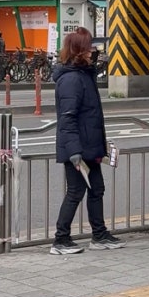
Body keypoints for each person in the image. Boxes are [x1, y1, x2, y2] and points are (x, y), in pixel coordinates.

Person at [51, 27, 123, 255]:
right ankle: (61, 239)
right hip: (78, 148)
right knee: (75, 192)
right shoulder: (71, 79)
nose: (93, 50)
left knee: (96, 189)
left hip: (89, 146)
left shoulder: (84, 74)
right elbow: (67, 118)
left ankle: (99, 235)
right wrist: (74, 151)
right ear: (79, 50)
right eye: (89, 47)